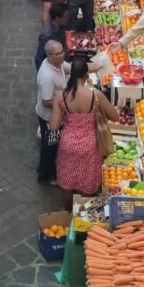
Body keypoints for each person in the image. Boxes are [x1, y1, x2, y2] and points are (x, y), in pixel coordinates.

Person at [50, 58, 119, 197]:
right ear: (86, 76)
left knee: (68, 180)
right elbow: (115, 117)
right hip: (90, 145)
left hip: (67, 144)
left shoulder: (60, 97)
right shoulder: (96, 96)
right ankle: (83, 210)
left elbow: (54, 126)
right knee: (87, 181)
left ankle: (68, 211)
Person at [35, 40, 71, 184]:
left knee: (50, 144)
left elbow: (70, 68)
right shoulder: (47, 77)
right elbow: (47, 102)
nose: (62, 55)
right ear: (49, 55)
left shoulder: (58, 64)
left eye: (62, 51)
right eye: (58, 54)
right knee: (49, 146)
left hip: (56, 115)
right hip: (49, 117)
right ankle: (45, 176)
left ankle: (45, 169)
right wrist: (67, 104)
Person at [34, 4, 69, 71]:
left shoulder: (61, 26)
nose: (68, 18)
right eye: (65, 17)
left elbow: (63, 45)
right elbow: (39, 57)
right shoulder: (47, 35)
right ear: (57, 19)